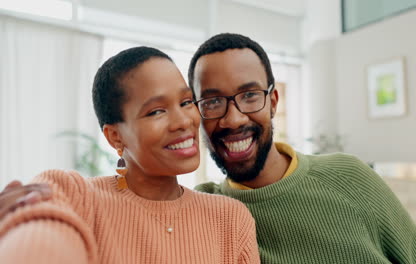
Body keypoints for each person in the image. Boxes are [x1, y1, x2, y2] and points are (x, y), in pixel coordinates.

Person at [1, 33, 416, 263]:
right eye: (211, 101)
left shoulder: (345, 177)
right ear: (115, 135)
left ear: (273, 100)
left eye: (249, 95)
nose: (232, 119)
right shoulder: (220, 210)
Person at [0, 46, 260, 264]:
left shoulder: (231, 219)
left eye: (185, 102)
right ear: (115, 136)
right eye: (156, 111)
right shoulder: (74, 196)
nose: (183, 121)